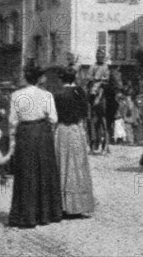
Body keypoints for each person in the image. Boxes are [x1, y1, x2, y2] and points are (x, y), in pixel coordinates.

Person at [8, 62, 62, 228]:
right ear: (39, 78)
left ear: (26, 77)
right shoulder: (46, 95)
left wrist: (12, 140)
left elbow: (12, 121)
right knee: (44, 171)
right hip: (42, 133)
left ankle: (25, 214)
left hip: (24, 133)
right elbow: (53, 118)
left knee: (26, 172)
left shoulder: (16, 95)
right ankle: (45, 213)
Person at [54, 66, 95, 218]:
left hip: (62, 130)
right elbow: (85, 113)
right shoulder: (80, 92)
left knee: (62, 165)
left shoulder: (57, 94)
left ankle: (63, 205)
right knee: (77, 166)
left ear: (61, 78)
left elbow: (54, 116)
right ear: (74, 78)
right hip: (76, 130)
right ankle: (78, 204)